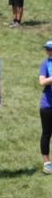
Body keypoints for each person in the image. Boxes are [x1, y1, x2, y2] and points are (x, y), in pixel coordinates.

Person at [38, 40, 52, 174]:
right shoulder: (45, 64)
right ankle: (47, 163)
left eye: (50, 49)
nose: (48, 52)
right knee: (47, 133)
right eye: (47, 49)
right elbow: (42, 81)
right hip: (47, 105)